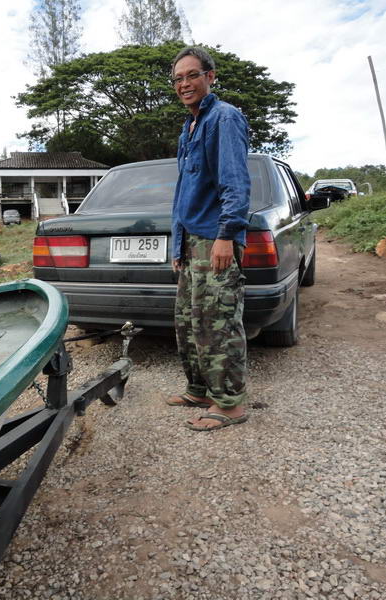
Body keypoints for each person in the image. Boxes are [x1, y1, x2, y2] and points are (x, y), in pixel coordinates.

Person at [166, 46, 251, 431]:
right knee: (189, 323)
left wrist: (226, 235)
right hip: (191, 242)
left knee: (217, 324)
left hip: (214, 239)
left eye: (191, 75)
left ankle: (230, 404)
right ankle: (199, 389)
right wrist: (176, 244)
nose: (185, 83)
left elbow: (234, 181)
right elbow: (185, 189)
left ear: (210, 76)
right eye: (178, 78)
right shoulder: (190, 126)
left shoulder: (224, 118)